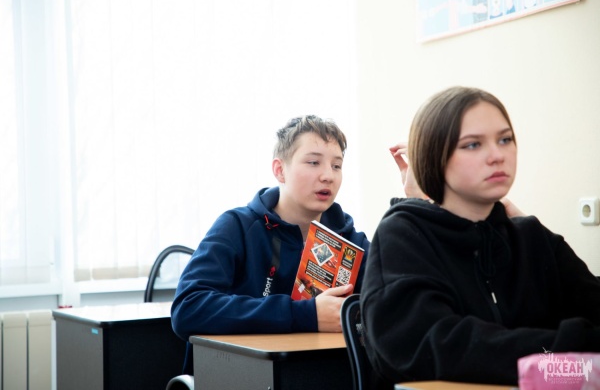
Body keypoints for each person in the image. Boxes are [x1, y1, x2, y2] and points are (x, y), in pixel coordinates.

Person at [361, 86, 600, 387]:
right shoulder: (403, 237)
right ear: (433, 156)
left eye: (505, 139)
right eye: (473, 145)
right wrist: (573, 350)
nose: (497, 155)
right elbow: (436, 347)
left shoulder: (533, 238)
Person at [171, 115, 370, 374]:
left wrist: (413, 198)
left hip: (320, 373)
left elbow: (398, 305)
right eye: (313, 162)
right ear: (279, 170)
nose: (327, 176)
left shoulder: (350, 241)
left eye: (336, 166)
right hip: (240, 375)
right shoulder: (237, 226)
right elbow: (188, 308)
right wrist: (305, 314)